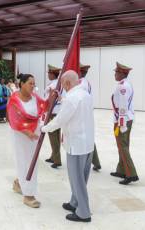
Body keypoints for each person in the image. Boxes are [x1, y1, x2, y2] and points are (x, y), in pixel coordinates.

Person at [41, 70, 94, 223]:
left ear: (67, 83)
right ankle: (74, 202)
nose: (63, 86)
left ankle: (83, 213)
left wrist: (44, 128)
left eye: (63, 84)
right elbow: (73, 106)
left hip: (76, 145)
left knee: (76, 179)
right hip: (87, 143)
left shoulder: (72, 98)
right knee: (81, 177)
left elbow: (59, 120)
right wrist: (62, 98)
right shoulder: (85, 94)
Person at [6, 73, 49, 208]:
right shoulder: (14, 100)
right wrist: (27, 133)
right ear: (22, 84)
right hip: (21, 136)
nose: (33, 86)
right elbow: (14, 120)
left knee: (32, 162)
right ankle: (28, 195)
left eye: (33, 83)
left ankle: (19, 183)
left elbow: (45, 106)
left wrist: (54, 97)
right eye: (30, 83)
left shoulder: (35, 97)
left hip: (33, 135)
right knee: (24, 162)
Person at [110, 62, 139, 185]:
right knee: (122, 146)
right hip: (125, 118)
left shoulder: (122, 86)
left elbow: (122, 106)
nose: (115, 74)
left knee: (123, 146)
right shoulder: (125, 84)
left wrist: (121, 123)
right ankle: (121, 170)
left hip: (123, 120)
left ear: (122, 73)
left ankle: (131, 174)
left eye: (116, 72)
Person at [79, 64, 102, 172]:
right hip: (84, 114)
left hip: (83, 114)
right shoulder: (83, 82)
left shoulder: (82, 84)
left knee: (86, 138)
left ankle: (92, 161)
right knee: (87, 138)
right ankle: (95, 162)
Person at [44, 64, 63, 168]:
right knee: (56, 136)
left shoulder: (52, 86)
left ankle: (57, 160)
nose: (48, 75)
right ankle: (53, 156)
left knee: (53, 137)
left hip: (52, 112)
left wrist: (47, 112)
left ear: (52, 74)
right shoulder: (58, 84)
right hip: (58, 112)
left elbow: (50, 100)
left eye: (49, 73)